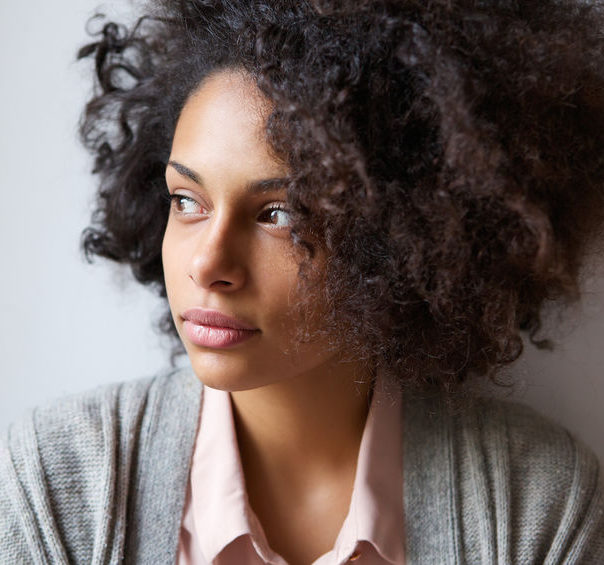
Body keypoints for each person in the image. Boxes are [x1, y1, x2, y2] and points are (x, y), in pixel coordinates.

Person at [2, 0, 604, 563]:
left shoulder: (540, 509)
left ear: (400, 238)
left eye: (280, 214)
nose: (206, 265)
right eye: (187, 201)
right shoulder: (52, 486)